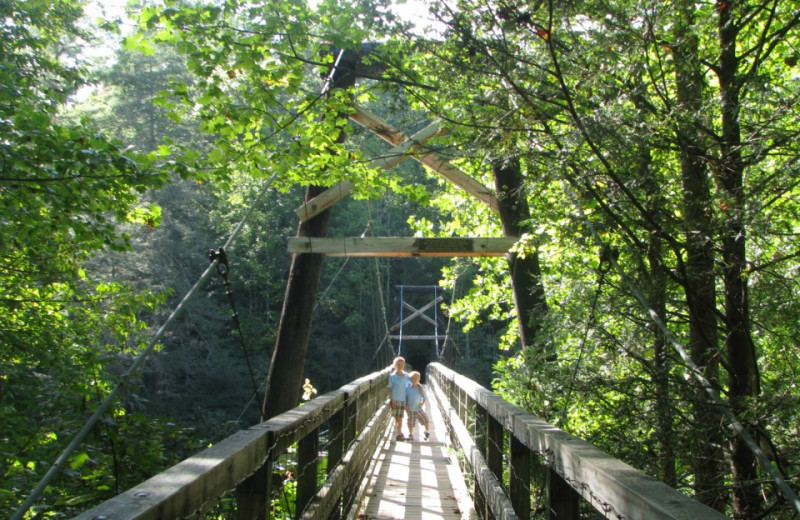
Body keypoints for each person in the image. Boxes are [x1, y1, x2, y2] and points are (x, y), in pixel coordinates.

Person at [387, 356, 410, 441]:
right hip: (395, 399)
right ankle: (399, 433)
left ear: (404, 365)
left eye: (402, 365)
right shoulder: (392, 376)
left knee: (400, 417)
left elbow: (410, 386)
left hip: (403, 400)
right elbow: (389, 388)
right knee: (396, 418)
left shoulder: (407, 375)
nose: (400, 366)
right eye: (398, 364)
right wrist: (391, 399)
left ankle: (399, 433)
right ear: (394, 365)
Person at [405, 371, 430, 441]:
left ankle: (427, 432)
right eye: (412, 379)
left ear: (419, 379)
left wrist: (422, 403)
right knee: (410, 422)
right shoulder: (407, 388)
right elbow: (405, 398)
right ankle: (410, 434)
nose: (414, 380)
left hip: (418, 408)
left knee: (425, 418)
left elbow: (425, 397)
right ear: (410, 380)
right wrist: (405, 405)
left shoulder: (420, 388)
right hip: (410, 408)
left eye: (416, 378)